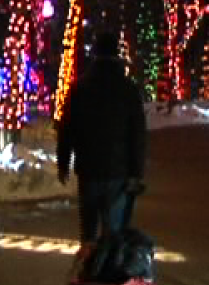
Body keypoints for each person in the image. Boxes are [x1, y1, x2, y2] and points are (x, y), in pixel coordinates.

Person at [57, 31, 147, 243]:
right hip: (118, 171)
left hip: (88, 168)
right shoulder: (128, 89)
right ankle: (108, 271)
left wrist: (63, 162)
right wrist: (136, 172)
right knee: (113, 234)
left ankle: (87, 268)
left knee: (88, 230)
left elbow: (67, 129)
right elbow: (137, 134)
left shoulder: (79, 88)